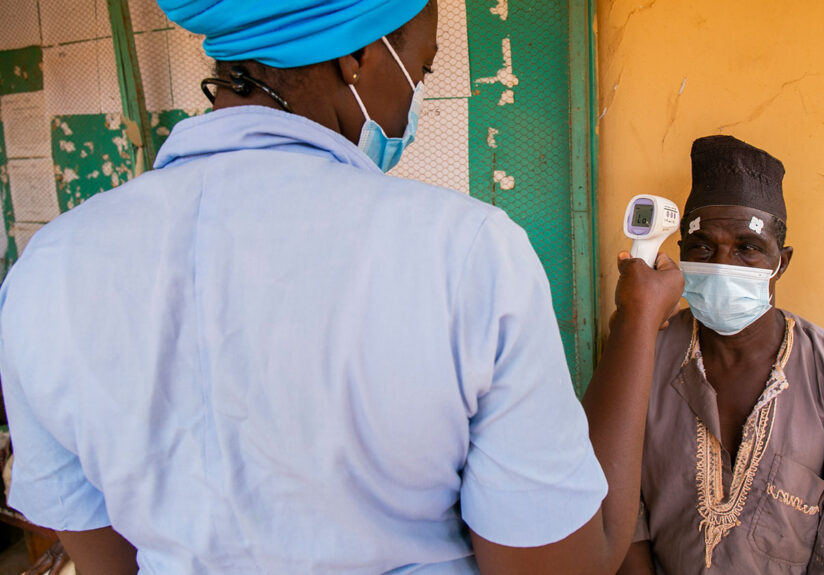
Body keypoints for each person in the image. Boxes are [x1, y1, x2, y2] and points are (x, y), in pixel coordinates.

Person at [0, 1, 683, 573]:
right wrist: (636, 322)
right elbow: (566, 560)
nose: (413, 97)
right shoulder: (466, 255)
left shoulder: (47, 271)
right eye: (420, 67)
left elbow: (103, 551)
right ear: (354, 57)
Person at [617, 136, 824, 574]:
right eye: (702, 248)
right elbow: (619, 505)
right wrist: (634, 323)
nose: (722, 263)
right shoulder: (645, 355)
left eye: (748, 249)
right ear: (679, 256)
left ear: (781, 262)